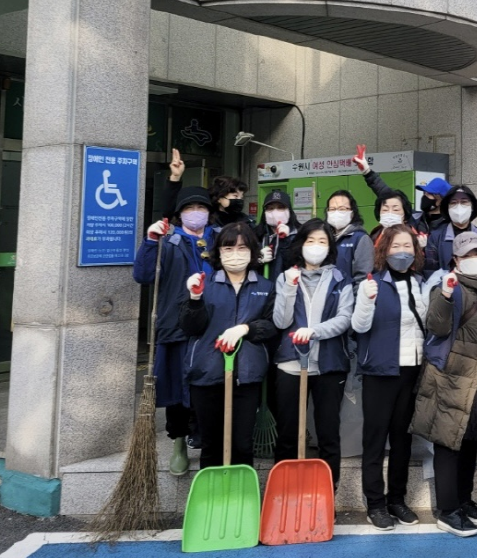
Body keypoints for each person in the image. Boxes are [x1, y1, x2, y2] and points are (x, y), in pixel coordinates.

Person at [411, 232, 477, 538]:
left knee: (470, 441)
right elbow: (436, 324)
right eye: (467, 254)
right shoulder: (449, 286)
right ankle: (448, 511)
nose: (474, 259)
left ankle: (463, 501)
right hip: (449, 379)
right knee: (448, 444)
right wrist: (445, 297)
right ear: (456, 261)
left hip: (476, 382)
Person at [180, 222, 277, 469]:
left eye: (242, 248)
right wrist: (194, 299)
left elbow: (272, 326)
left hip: (247, 375)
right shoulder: (205, 283)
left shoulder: (265, 287)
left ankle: (242, 497)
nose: (235, 254)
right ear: (218, 253)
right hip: (207, 372)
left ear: (253, 251)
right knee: (211, 443)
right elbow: (190, 328)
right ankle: (212, 498)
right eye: (228, 248)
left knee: (242, 444)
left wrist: (247, 328)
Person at [132, 185, 215, 475]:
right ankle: (179, 441)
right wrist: (150, 242)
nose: (196, 213)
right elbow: (142, 275)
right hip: (177, 325)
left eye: (201, 208)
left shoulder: (219, 239)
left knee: (208, 386)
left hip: (213, 327)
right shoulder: (169, 243)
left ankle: (206, 439)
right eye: (190, 209)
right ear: (180, 214)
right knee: (179, 388)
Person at [353, 224, 430, 529]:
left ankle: (397, 500)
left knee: (402, 439)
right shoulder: (371, 283)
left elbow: (425, 325)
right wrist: (366, 300)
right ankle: (375, 504)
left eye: (408, 246)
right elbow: (359, 327)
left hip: (411, 371)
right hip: (380, 372)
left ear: (416, 251)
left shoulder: (418, 283)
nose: (402, 252)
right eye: (396, 246)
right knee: (375, 440)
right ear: (384, 250)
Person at [271, 218, 353, 489]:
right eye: (310, 241)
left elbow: (344, 319)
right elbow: (281, 321)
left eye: (322, 241)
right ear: (300, 244)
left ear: (330, 247)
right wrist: (290, 287)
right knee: (288, 433)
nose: (316, 247)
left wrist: (314, 331)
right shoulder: (285, 277)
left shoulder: (341, 279)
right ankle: (284, 490)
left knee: (328, 433)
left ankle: (328, 490)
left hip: (328, 367)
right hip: (291, 366)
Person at [353, 144, 450, 237]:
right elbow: (385, 192)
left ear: (441, 200)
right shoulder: (415, 217)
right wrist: (367, 171)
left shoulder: (448, 225)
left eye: (430, 194)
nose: (425, 196)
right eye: (424, 192)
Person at [161, 147, 249, 227]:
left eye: (242, 197)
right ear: (220, 198)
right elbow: (168, 211)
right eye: (235, 196)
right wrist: (175, 177)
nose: (239, 201)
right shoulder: (207, 219)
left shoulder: (246, 221)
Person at [424, 184, 477, 277]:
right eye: (453, 203)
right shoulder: (436, 236)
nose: (458, 207)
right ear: (447, 208)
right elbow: (429, 270)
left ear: (472, 207)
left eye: (464, 202)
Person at [325, 190, 374, 286]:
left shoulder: (360, 238)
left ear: (352, 213)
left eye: (342, 209)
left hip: (348, 297)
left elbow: (363, 277)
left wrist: (355, 299)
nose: (336, 212)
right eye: (332, 209)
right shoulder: (324, 237)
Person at [255, 189, 299, 281]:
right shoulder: (256, 235)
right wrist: (257, 259)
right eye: (270, 208)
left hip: (288, 289)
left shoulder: (299, 234)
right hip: (262, 290)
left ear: (289, 211)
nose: (275, 212)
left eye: (281, 207)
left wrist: (286, 240)